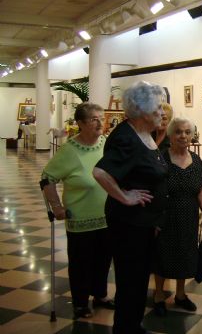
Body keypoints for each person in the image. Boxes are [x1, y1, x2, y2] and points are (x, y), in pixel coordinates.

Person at [93, 81, 168, 334]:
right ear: (143, 111)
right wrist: (125, 196)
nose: (163, 112)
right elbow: (101, 172)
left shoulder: (145, 134)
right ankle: (125, 329)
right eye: (158, 107)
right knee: (129, 281)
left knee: (138, 280)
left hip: (143, 223)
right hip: (128, 225)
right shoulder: (126, 138)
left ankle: (133, 326)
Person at [42, 102, 115, 319]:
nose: (100, 122)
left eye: (102, 118)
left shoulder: (106, 144)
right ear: (80, 123)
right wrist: (56, 207)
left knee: (103, 259)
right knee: (81, 262)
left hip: (107, 216)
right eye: (94, 119)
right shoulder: (69, 151)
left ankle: (100, 295)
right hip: (80, 217)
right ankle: (81, 302)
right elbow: (47, 179)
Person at [152, 117, 202, 316]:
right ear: (170, 135)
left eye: (187, 132)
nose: (183, 136)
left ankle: (180, 294)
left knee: (185, 255)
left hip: (188, 216)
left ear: (192, 135)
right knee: (162, 255)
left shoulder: (197, 160)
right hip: (165, 216)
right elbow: (152, 190)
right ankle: (158, 294)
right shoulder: (161, 159)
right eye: (178, 132)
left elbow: (200, 189)